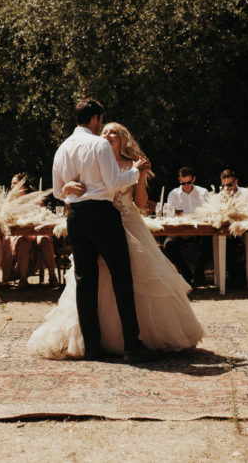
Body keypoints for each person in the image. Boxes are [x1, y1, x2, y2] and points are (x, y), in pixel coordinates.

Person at [29, 116, 202, 360]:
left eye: (114, 133)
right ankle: (98, 340)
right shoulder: (93, 159)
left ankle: (135, 338)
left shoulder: (132, 164)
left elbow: (140, 203)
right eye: (106, 132)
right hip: (98, 222)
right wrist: (65, 188)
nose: (108, 136)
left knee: (131, 279)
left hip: (128, 223)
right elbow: (81, 190)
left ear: (123, 140)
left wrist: (140, 176)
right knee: (92, 280)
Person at [28, 99, 157, 362]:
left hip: (76, 217)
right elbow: (113, 183)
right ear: (96, 118)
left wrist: (66, 190)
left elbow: (56, 190)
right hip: (101, 214)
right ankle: (132, 344)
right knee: (122, 277)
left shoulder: (63, 147)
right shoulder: (98, 144)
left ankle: (92, 346)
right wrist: (136, 171)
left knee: (85, 281)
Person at [7, 174, 58, 288]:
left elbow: (43, 217)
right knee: (23, 243)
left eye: (15, 183)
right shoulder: (10, 202)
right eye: (12, 183)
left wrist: (41, 207)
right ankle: (23, 279)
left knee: (44, 239)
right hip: (18, 234)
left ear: (22, 186)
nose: (12, 185)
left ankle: (52, 276)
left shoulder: (34, 200)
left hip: (36, 232)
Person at [163, 167, 210, 286]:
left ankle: (199, 272)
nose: (186, 186)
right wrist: (181, 231)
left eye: (189, 182)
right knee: (168, 245)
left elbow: (210, 213)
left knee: (211, 243)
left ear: (194, 179)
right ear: (179, 180)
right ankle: (186, 272)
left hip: (201, 230)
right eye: (183, 183)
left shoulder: (203, 192)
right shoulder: (173, 194)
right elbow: (169, 215)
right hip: (180, 230)